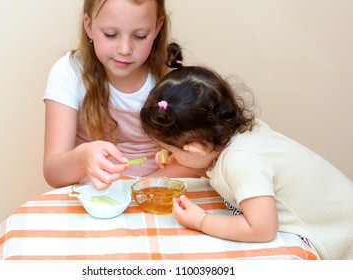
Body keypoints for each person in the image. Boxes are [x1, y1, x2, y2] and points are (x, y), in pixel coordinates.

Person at [139, 43, 353, 259]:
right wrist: (182, 160)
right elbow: (220, 173)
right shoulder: (240, 134)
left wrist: (201, 221)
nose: (166, 153)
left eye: (167, 147)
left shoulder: (241, 161)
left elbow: (261, 229)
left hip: (342, 240)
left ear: (196, 149)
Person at [43, 0, 197, 190]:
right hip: (92, 198)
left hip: (156, 192)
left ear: (157, 28)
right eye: (111, 34)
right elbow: (53, 173)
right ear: (89, 26)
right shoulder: (69, 72)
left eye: (140, 36)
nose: (125, 49)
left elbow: (195, 161)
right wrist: (82, 158)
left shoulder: (171, 77)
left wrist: (141, 188)